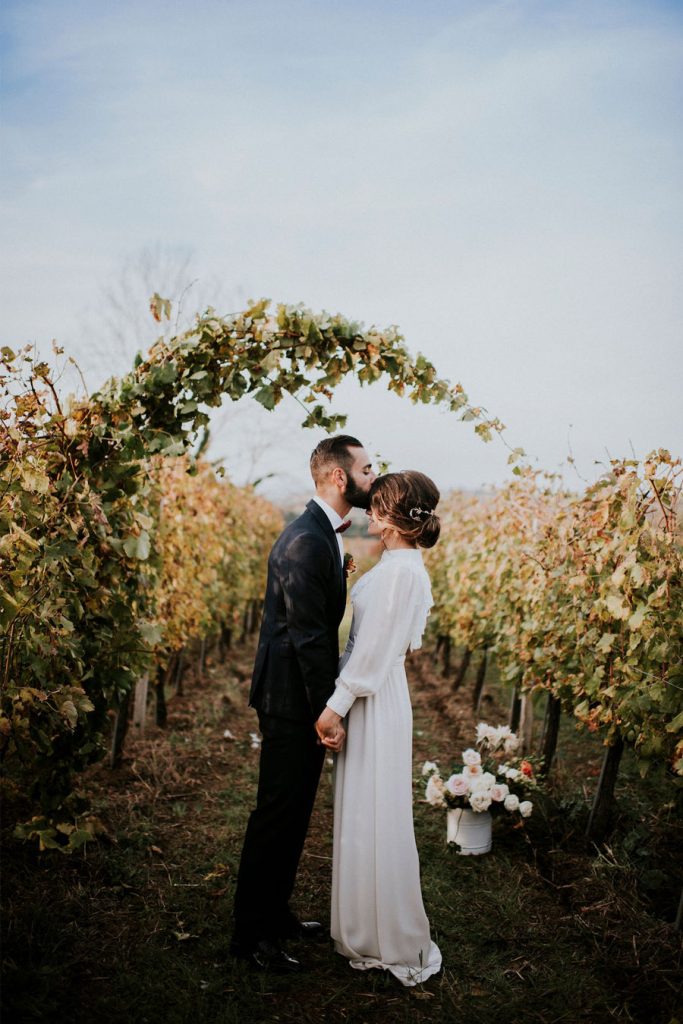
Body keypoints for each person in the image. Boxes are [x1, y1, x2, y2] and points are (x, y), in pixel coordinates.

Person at [230, 435, 375, 972]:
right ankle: (250, 936)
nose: (371, 476)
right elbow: (310, 637)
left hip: (299, 697)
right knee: (276, 814)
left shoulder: (323, 534)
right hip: (292, 701)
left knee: (293, 815)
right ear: (339, 477)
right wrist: (326, 710)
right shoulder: (306, 540)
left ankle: (276, 914)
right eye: (366, 469)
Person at [318, 470, 443, 987]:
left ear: (392, 520)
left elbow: (371, 654)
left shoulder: (399, 574)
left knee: (377, 810)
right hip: (377, 692)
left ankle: (386, 932)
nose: (368, 511)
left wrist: (336, 706)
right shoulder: (400, 564)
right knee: (369, 806)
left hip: (372, 695)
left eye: (376, 506)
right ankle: (365, 924)